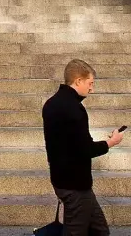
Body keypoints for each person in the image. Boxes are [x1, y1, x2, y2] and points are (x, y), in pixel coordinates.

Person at [41, 59, 124, 236]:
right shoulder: (74, 108)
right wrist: (111, 142)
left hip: (65, 180)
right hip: (75, 186)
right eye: (90, 83)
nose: (92, 88)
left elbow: (65, 145)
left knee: (99, 230)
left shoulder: (50, 104)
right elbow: (85, 150)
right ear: (78, 81)